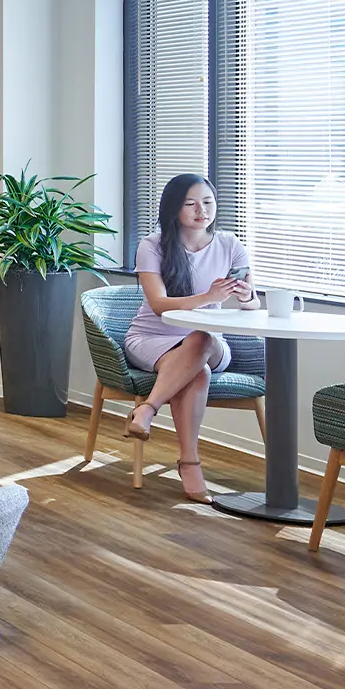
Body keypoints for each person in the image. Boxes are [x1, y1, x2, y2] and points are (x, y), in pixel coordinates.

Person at [124, 174, 253, 501]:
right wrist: (208, 297)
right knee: (199, 374)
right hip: (152, 338)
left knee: (202, 340)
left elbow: (251, 303)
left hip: (209, 343)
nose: (202, 211)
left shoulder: (230, 245)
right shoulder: (152, 245)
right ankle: (190, 463)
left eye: (208, 202)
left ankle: (148, 409)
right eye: (191, 204)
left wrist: (247, 296)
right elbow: (158, 305)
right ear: (173, 208)